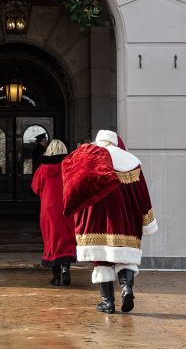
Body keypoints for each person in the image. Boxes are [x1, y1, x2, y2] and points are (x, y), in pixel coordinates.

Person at [62, 130, 158, 314]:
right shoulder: (131, 161)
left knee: (102, 260)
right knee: (125, 257)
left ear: (98, 142)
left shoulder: (89, 159)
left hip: (96, 220)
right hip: (126, 219)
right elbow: (142, 196)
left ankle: (108, 303)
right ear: (116, 142)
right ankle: (126, 288)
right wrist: (148, 221)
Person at [31, 139, 76, 286]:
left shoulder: (42, 169)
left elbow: (35, 188)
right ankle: (66, 269)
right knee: (67, 239)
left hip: (48, 210)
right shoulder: (69, 167)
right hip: (67, 208)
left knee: (51, 240)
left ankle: (56, 277)